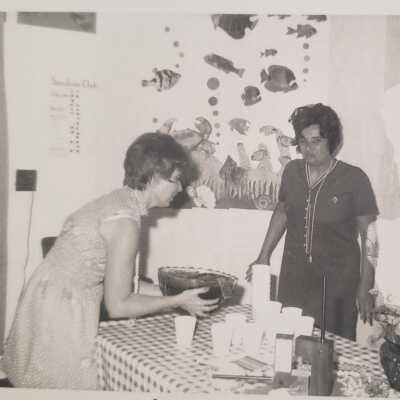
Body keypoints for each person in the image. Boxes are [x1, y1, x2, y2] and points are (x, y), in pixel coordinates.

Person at [3, 132, 219, 390]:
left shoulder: (119, 201)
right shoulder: (124, 223)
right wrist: (176, 301)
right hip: (62, 312)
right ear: (154, 178)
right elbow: (118, 305)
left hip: (47, 297)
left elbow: (124, 284)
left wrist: (179, 292)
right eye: (176, 180)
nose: (180, 188)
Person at [247, 103, 379, 341]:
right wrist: (263, 255)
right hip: (294, 277)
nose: (308, 148)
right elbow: (282, 211)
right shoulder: (292, 171)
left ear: (332, 141)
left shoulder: (354, 178)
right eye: (303, 141)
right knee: (288, 341)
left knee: (330, 348)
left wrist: (366, 286)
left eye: (316, 141)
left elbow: (369, 234)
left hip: (337, 283)